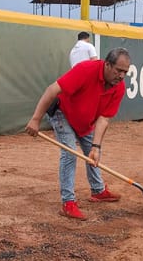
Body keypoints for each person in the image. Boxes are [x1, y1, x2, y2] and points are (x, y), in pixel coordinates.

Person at [25, 47, 131, 220]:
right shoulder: (85, 70)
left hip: (85, 121)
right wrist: (36, 119)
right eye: (118, 70)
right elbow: (52, 90)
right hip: (63, 113)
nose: (121, 76)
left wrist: (96, 146)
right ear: (107, 65)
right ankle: (68, 203)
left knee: (93, 154)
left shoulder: (118, 87)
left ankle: (98, 191)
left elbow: (104, 118)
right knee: (69, 154)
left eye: (125, 72)